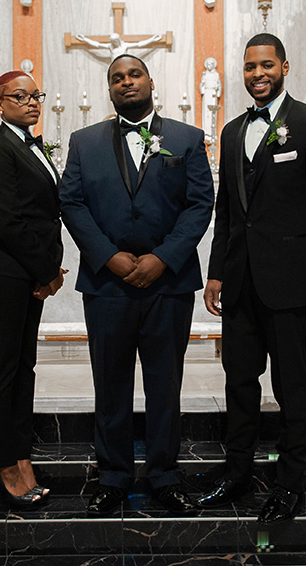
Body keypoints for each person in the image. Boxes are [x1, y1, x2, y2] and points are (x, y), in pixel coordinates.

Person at [197, 33, 306, 523]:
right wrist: (216, 272)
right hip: (239, 283)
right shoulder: (233, 130)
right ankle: (237, 475)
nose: (257, 74)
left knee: (290, 385)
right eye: (249, 67)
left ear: (285, 65)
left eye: (266, 65)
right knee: (239, 383)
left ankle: (289, 484)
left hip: (288, 284)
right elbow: (228, 211)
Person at [59, 54, 214, 515]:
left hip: (168, 284)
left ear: (150, 82)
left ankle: (165, 476)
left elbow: (199, 204)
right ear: (109, 90)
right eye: (116, 78)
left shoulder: (187, 139)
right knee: (110, 384)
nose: (126, 82)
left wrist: (162, 258)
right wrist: (108, 256)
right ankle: (112, 477)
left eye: (134, 74)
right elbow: (72, 203)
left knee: (165, 385)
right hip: (108, 286)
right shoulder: (84, 142)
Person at [0, 70, 64, 509]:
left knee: (24, 366)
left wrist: (47, 269)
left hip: (25, 269)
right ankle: (3, 463)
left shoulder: (31, 145)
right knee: (4, 367)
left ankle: (21, 454)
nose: (30, 102)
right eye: (18, 96)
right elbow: (8, 221)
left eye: (35, 95)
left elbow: (43, 213)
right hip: (2, 267)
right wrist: (49, 271)